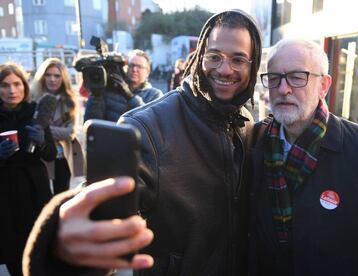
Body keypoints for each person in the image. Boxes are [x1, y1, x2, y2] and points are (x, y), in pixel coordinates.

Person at [23, 9, 262, 275]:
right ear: (200, 57)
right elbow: (101, 211)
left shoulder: (246, 121)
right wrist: (61, 248)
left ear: (253, 65)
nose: (225, 69)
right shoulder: (148, 126)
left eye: (238, 59)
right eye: (215, 56)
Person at [248, 38, 358, 275]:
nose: (283, 89)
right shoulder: (252, 143)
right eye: (274, 78)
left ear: (324, 86)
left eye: (298, 76)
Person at [0, 63, 57, 276]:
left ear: (24, 86)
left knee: (41, 250)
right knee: (15, 256)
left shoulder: (36, 112)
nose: (12, 90)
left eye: (17, 84)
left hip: (35, 191)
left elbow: (51, 154)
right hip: (5, 197)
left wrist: (41, 143)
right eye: (4, 85)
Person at [31, 58, 84, 194]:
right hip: (39, 154)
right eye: (48, 75)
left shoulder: (71, 100)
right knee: (41, 194)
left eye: (57, 75)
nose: (52, 79)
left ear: (63, 78)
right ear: (42, 77)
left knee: (61, 195)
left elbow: (70, 132)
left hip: (62, 155)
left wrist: (43, 129)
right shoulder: (32, 98)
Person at [84, 49, 163, 122]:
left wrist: (130, 96)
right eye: (131, 65)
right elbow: (93, 122)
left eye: (139, 66)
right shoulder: (110, 90)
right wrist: (96, 96)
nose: (134, 69)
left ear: (148, 72)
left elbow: (151, 122)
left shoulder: (155, 95)